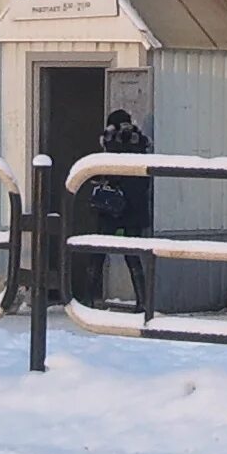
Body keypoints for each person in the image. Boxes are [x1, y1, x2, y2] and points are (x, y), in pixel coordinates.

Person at [87, 106, 155, 306]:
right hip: (135, 208)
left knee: (98, 252)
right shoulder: (141, 144)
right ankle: (142, 302)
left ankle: (89, 299)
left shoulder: (111, 142)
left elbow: (104, 173)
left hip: (112, 208)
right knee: (133, 256)